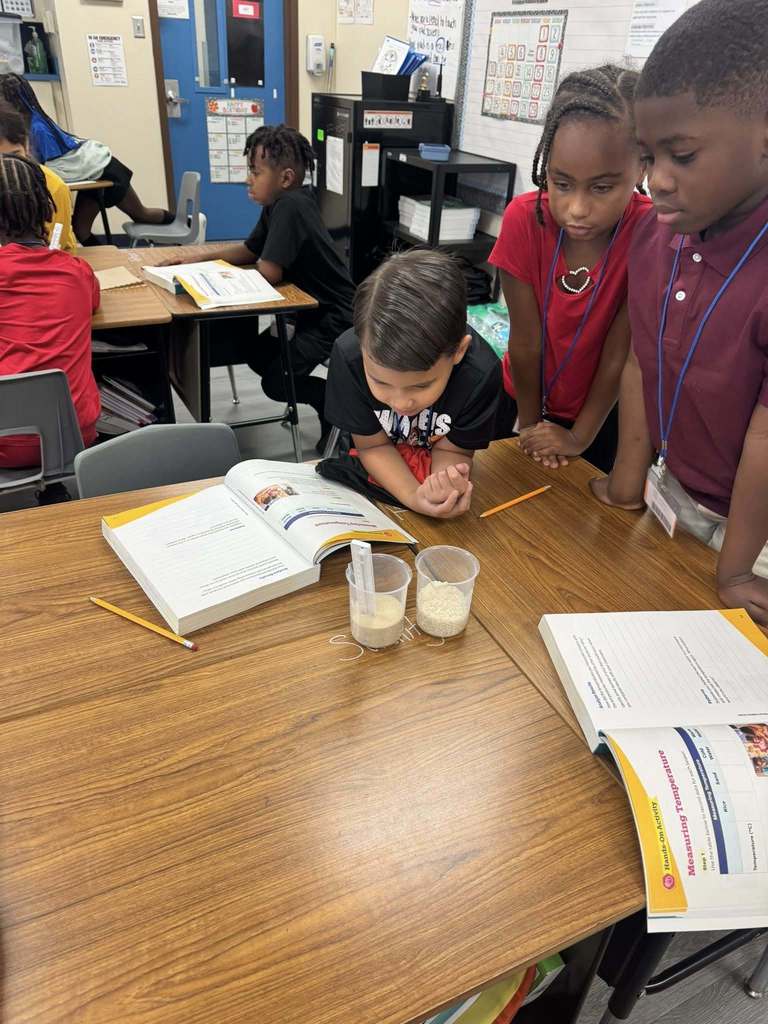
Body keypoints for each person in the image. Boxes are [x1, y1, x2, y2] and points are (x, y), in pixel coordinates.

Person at [592, 0, 768, 625]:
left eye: (683, 156)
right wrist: (626, 482)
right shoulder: (654, 235)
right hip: (670, 494)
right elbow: (643, 363)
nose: (658, 180)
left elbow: (765, 435)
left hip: (753, 540)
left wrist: (739, 568)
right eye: (647, 157)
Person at [490, 65, 652, 473]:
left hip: (601, 413)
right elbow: (525, 342)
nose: (577, 209)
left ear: (643, 167)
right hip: (522, 398)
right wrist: (530, 430)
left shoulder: (651, 233)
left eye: (601, 188)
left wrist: (580, 435)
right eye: (561, 184)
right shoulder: (524, 219)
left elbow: (621, 352)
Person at [159, 124, 355, 452]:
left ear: (286, 178)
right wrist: (197, 258)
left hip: (334, 316)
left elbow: (269, 272)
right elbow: (251, 250)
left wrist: (220, 277)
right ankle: (317, 395)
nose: (248, 179)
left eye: (255, 171)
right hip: (308, 310)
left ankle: (328, 404)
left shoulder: (292, 206)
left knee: (277, 381)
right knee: (254, 351)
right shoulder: (277, 205)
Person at [316, 249, 501, 518]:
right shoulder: (349, 356)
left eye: (421, 386)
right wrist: (416, 498)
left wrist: (442, 490)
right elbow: (372, 446)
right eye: (380, 382)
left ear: (459, 352)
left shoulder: (480, 375)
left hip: (431, 461)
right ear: (362, 346)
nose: (401, 403)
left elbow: (454, 450)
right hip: (369, 469)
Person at [0, 153, 100, 468]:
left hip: (6, 441)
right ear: (45, 209)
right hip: (73, 435)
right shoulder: (77, 271)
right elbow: (93, 301)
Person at [0, 74, 172, 245]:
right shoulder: (26, 124)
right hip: (92, 172)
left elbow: (47, 169)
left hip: (105, 168)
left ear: (12, 100)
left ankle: (187, 225)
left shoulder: (37, 127)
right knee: (81, 229)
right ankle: (108, 261)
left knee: (142, 214)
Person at [0, 99, 75, 252]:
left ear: (26, 145)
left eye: (15, 155)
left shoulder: (52, 187)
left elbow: (55, 250)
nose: (8, 165)